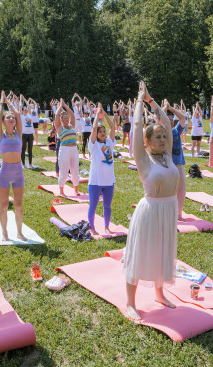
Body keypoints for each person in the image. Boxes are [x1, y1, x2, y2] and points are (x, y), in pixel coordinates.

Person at [125, 81, 179, 321]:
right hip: (150, 211)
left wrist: (150, 100)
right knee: (140, 254)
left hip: (168, 209)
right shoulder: (143, 159)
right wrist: (138, 101)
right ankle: (130, 302)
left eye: (163, 137)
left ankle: (159, 293)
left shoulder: (167, 154)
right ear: (146, 142)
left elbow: (167, 123)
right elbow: (137, 125)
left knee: (163, 251)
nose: (162, 139)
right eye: (157, 137)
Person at [0, 92, 26, 241]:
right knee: (4, 205)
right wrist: (2, 101)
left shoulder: (19, 133)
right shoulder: (0, 135)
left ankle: (19, 232)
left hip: (18, 172)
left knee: (18, 206)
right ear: (3, 121)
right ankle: (5, 233)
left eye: (12, 118)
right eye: (9, 117)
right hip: (5, 173)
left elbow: (18, 114)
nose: (12, 119)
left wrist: (9, 102)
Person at [87, 103, 116, 236]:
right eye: (101, 132)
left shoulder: (109, 142)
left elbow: (113, 127)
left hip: (109, 180)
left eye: (104, 132)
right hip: (95, 180)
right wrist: (97, 114)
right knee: (93, 206)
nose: (103, 133)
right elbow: (93, 129)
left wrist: (104, 114)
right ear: (97, 134)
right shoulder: (93, 145)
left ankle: (106, 226)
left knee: (107, 205)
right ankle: (92, 228)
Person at [163, 101, 186, 220]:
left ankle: (179, 213)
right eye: (168, 120)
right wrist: (163, 110)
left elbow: (183, 118)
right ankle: (167, 212)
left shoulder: (176, 131)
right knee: (167, 190)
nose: (171, 121)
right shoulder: (161, 133)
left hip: (179, 163)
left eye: (172, 120)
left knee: (181, 189)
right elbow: (158, 119)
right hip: (167, 165)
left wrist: (170, 108)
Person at [54, 99, 80, 196]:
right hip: (64, 150)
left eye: (67, 118)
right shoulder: (60, 128)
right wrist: (60, 106)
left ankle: (76, 190)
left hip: (74, 149)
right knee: (64, 171)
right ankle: (61, 191)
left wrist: (65, 105)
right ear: (61, 120)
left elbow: (72, 114)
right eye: (64, 118)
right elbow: (56, 115)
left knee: (75, 170)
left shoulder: (72, 126)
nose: (67, 119)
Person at [20, 97, 35, 168]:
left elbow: (29, 107)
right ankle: (23, 164)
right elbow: (20, 107)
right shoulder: (21, 116)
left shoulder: (30, 116)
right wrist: (20, 99)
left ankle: (30, 164)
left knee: (30, 149)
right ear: (22, 111)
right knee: (23, 149)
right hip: (24, 134)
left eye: (26, 110)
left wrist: (25, 100)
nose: (26, 111)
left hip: (30, 135)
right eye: (24, 110)